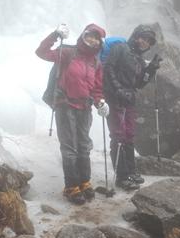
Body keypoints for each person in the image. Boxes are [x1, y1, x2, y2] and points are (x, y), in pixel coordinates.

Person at [36, 23, 108, 205]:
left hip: (85, 108)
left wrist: (100, 102)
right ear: (83, 35)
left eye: (96, 38)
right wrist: (55, 34)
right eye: (90, 35)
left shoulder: (96, 62)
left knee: (84, 146)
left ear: (100, 42)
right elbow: (42, 52)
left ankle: (84, 182)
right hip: (65, 105)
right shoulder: (68, 52)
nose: (93, 40)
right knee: (70, 148)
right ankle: (71, 187)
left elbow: (97, 88)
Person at [102, 25, 161, 190]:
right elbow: (108, 69)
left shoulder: (139, 59)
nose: (145, 43)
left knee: (129, 135)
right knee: (118, 136)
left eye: (148, 41)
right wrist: (118, 89)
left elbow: (139, 83)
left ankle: (130, 171)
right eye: (143, 38)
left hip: (129, 98)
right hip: (115, 98)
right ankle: (121, 177)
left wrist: (151, 69)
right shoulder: (120, 48)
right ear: (136, 36)